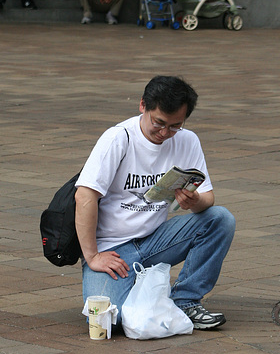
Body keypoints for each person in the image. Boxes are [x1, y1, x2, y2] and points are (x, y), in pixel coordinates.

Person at [75, 75, 236, 330]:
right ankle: (137, 286)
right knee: (107, 323)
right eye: (159, 123)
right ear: (143, 105)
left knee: (220, 219)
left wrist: (194, 201)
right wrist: (93, 255)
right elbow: (84, 196)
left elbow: (209, 199)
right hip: (113, 248)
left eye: (174, 126)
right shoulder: (118, 138)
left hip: (155, 239)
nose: (164, 133)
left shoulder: (187, 140)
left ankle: (186, 301)